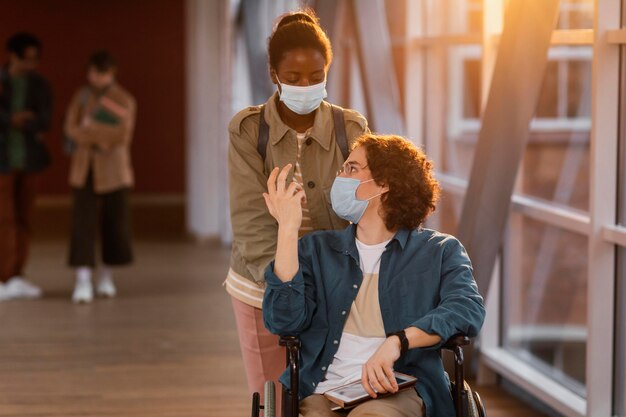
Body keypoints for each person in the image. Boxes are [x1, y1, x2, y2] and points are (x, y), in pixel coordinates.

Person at [262, 134, 486, 417]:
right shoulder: (316, 250)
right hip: (324, 390)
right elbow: (283, 320)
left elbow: (467, 309)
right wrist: (287, 229)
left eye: (351, 169)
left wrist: (397, 342)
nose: (340, 178)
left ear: (384, 184)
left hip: (399, 389)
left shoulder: (440, 252)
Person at [226, 9, 369, 412]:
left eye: (315, 76)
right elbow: (251, 223)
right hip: (262, 288)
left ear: (328, 70)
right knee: (276, 398)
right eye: (293, 78)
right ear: (273, 73)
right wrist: (286, 290)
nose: (305, 85)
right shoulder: (249, 131)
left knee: (328, 397)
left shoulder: (350, 129)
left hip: (334, 287)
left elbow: (367, 211)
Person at [64, 50, 136, 304]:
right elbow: (70, 129)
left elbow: (121, 136)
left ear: (111, 72)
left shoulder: (123, 99)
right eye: (92, 72)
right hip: (84, 169)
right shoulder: (82, 97)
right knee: (82, 225)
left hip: (115, 171)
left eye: (100, 73)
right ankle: (82, 279)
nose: (95, 78)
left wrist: (89, 130)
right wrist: (98, 135)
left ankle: (106, 276)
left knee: (114, 224)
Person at [0, 32, 52, 301]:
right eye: (26, 59)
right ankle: (3, 276)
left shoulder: (39, 85)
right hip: (3, 161)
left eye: (35, 60)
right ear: (13, 56)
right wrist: (13, 119)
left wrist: (23, 121)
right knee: (4, 220)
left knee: (24, 218)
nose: (31, 65)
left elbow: (44, 119)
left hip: (29, 159)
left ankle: (17, 275)